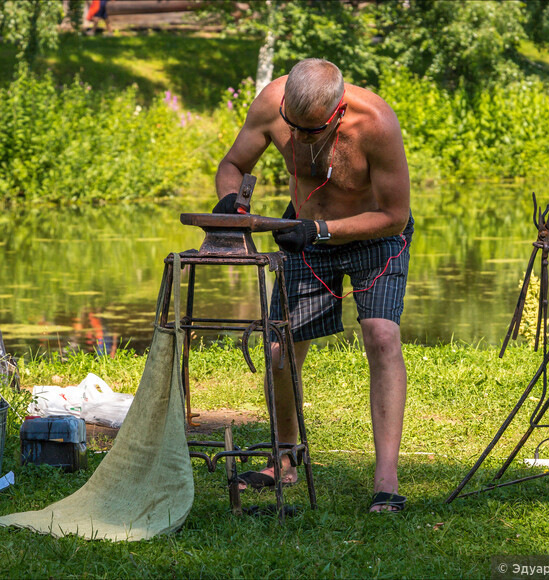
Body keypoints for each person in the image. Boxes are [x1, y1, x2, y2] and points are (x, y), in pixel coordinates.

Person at [213, 58, 413, 512]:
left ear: (339, 112)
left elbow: (394, 215)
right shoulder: (271, 103)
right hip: (305, 235)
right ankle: (285, 457)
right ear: (284, 106)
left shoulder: (376, 122)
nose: (299, 139)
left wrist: (322, 231)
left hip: (374, 238)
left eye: (312, 131)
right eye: (293, 128)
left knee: (382, 337)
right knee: (281, 347)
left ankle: (386, 479)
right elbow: (233, 163)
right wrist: (231, 202)